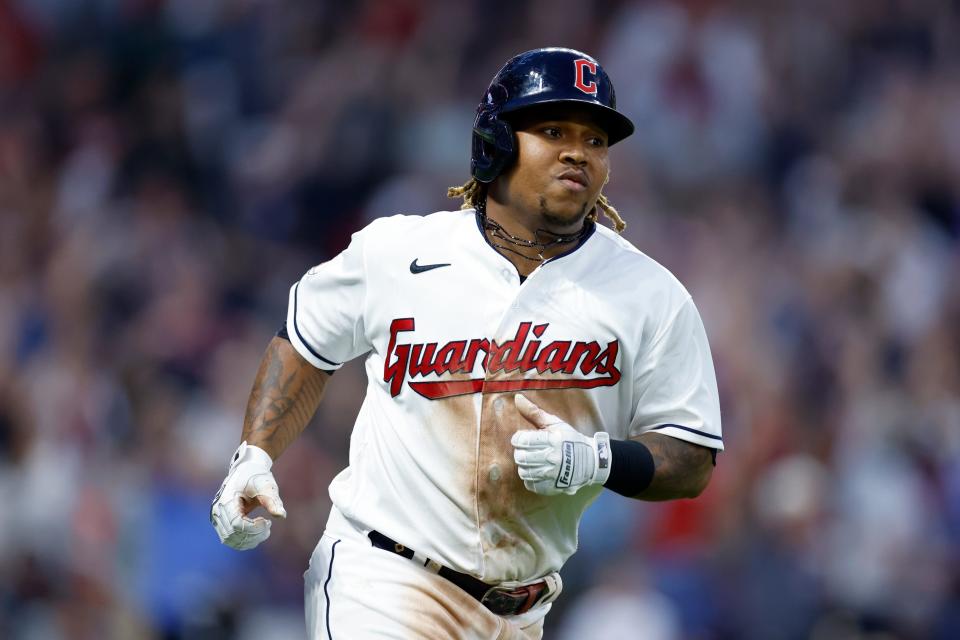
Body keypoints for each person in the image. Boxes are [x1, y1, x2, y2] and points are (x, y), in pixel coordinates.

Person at [210, 47, 723, 640]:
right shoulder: (399, 252)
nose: (578, 152)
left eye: (596, 140)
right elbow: (305, 341)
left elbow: (691, 456)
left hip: (521, 612)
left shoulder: (649, 295)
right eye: (553, 130)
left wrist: (597, 459)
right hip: (382, 577)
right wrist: (255, 454)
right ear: (497, 142)